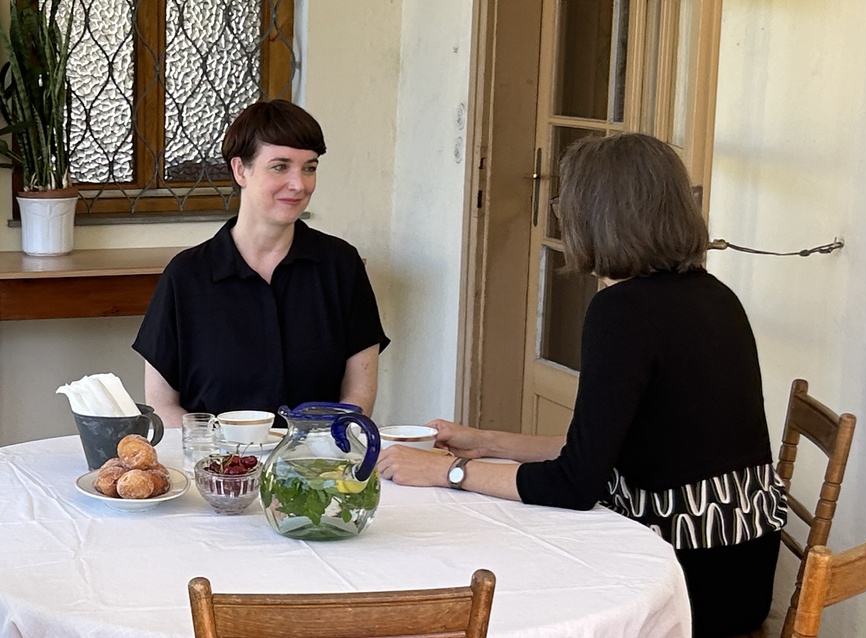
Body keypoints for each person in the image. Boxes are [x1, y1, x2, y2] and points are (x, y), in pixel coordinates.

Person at [376, 133, 786, 637]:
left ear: (595, 215)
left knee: (497, 577)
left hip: (680, 579)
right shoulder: (715, 295)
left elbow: (574, 483)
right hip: (744, 565)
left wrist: (449, 472)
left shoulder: (622, 312)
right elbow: (611, 446)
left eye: (565, 203)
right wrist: (485, 442)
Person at [133, 99, 390, 429]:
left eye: (309, 168)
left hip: (316, 468)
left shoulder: (341, 265)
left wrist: (310, 456)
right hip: (216, 472)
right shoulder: (186, 276)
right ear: (241, 169)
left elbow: (359, 395)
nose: (299, 184)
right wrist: (228, 462)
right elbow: (162, 404)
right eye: (280, 167)